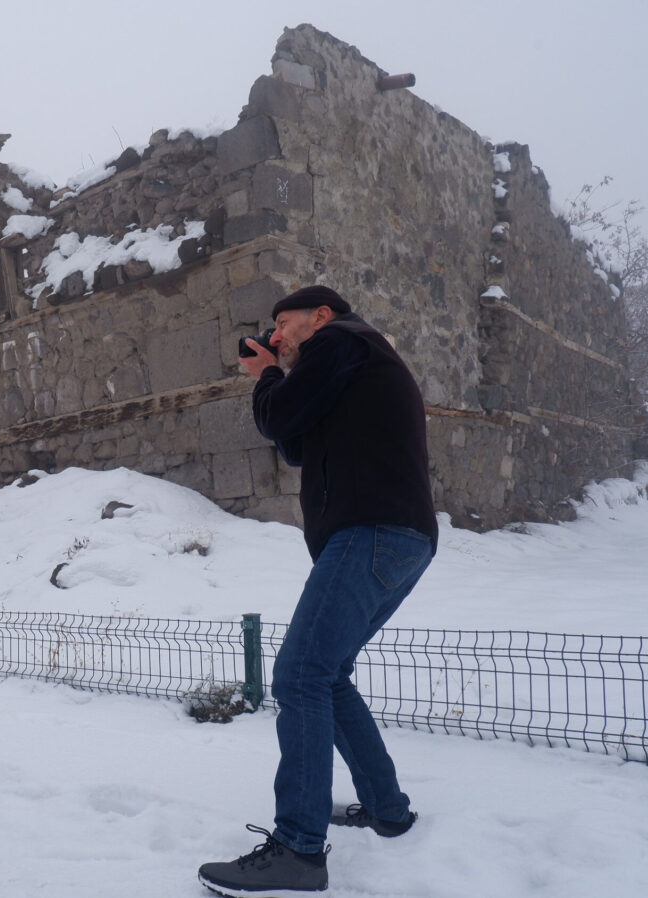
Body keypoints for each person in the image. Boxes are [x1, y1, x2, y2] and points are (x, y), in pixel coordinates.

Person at [198, 284, 438, 896]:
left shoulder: (338, 341)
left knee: (300, 675)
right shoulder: (353, 362)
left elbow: (279, 416)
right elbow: (298, 443)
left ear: (320, 317)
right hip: (398, 538)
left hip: (371, 531)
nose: (277, 336)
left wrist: (267, 377)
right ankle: (387, 810)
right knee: (326, 675)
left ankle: (299, 851)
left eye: (284, 324)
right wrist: (274, 376)